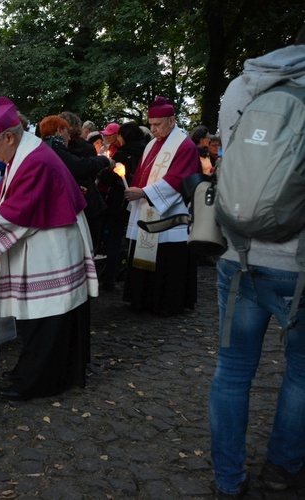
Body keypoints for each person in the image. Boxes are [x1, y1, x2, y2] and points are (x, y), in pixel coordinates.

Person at [0, 97, 98, 401]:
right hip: (43, 240)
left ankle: (38, 381)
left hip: (52, 246)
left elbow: (16, 212)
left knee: (45, 315)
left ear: (9, 137)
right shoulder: (23, 152)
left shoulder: (35, 159)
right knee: (37, 317)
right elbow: (2, 198)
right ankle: (32, 371)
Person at [209, 28, 305, 499]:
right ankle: (281, 469)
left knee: (232, 371)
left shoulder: (242, 85)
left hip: (239, 253)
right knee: (301, 374)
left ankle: (228, 479)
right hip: (300, 266)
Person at [122, 96, 201, 316]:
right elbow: (143, 173)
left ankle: (165, 303)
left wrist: (145, 192)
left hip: (170, 212)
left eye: (158, 124)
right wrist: (136, 190)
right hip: (148, 208)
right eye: (151, 124)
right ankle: (142, 299)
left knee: (166, 257)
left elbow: (180, 178)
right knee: (145, 252)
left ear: (172, 121)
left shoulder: (184, 145)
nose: (153, 129)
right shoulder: (151, 145)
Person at [39, 114, 111, 250]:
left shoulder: (43, 147)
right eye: (67, 132)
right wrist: (104, 160)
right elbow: (78, 166)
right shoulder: (54, 148)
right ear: (59, 130)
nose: (69, 137)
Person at [97, 121, 146, 291]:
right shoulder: (147, 152)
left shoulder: (123, 155)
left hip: (120, 202)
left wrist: (105, 169)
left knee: (114, 240)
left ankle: (109, 278)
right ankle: (136, 280)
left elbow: (108, 179)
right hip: (144, 201)